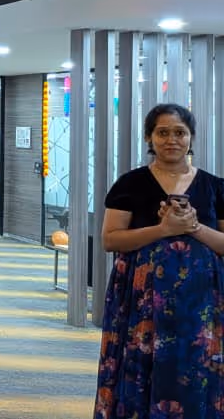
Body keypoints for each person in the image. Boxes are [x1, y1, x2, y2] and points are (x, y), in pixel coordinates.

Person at [94, 104, 224, 417]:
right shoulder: (130, 184)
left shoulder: (214, 186)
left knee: (196, 371)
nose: (171, 140)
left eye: (180, 132)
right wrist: (162, 230)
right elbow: (111, 239)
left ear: (191, 138)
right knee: (141, 368)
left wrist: (193, 227)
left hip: (201, 304)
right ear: (150, 138)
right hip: (142, 304)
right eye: (162, 132)